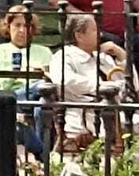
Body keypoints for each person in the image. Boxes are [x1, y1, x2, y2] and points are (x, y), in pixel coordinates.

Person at [0, 5, 57, 158]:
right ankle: (43, 155)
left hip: (38, 98)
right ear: (8, 27)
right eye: (17, 25)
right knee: (40, 87)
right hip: (12, 97)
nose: (21, 30)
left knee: (43, 105)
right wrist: (16, 73)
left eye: (26, 26)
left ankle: (41, 153)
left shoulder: (44, 52)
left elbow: (52, 79)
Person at [49, 12, 126, 144]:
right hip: (87, 114)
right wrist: (100, 87)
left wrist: (122, 56)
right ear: (79, 35)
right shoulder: (64, 57)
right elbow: (64, 81)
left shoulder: (103, 58)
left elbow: (132, 86)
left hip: (120, 110)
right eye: (94, 30)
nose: (100, 35)